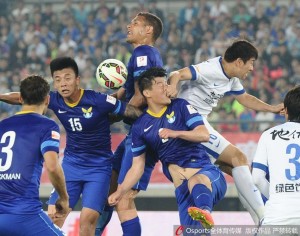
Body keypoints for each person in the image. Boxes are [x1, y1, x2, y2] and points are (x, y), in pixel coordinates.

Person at [0, 57, 142, 236]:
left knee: (88, 220)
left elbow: (133, 112)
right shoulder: (54, 100)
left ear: (77, 80)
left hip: (98, 168)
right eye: (57, 79)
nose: (62, 84)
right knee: (55, 215)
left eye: (67, 78)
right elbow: (22, 98)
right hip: (71, 165)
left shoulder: (98, 100)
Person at [167, 39, 284, 225]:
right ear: (239, 62)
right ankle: (264, 218)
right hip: (188, 122)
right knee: (239, 158)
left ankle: (258, 220)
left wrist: (272, 108)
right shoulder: (210, 69)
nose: (252, 68)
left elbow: (244, 98)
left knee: (238, 169)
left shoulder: (232, 77)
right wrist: (173, 85)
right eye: (251, 62)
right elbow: (177, 74)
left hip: (198, 122)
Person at [108, 67, 227, 229]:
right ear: (147, 93)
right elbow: (137, 166)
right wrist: (120, 191)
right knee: (193, 233)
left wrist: (175, 133)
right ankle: (202, 219)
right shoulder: (140, 126)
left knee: (196, 181)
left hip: (208, 176)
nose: (167, 87)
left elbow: (203, 135)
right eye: (160, 84)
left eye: (166, 82)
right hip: (182, 190)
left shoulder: (181, 106)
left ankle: (205, 212)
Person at [96, 12, 164, 236]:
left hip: (145, 133)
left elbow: (141, 96)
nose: (128, 26)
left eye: (135, 23)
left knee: (123, 198)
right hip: (134, 133)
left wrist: (111, 117)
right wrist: (103, 103)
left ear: (148, 31)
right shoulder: (138, 55)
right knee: (110, 189)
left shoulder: (144, 52)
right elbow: (126, 91)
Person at [0, 75, 69, 235]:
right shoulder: (46, 125)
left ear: (20, 98)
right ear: (47, 99)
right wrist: (63, 197)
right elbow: (52, 167)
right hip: (24, 214)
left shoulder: (2, 125)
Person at [252, 85, 300, 226]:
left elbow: (257, 178)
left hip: (277, 217)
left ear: (285, 111)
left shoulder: (268, 135)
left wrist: (275, 196)